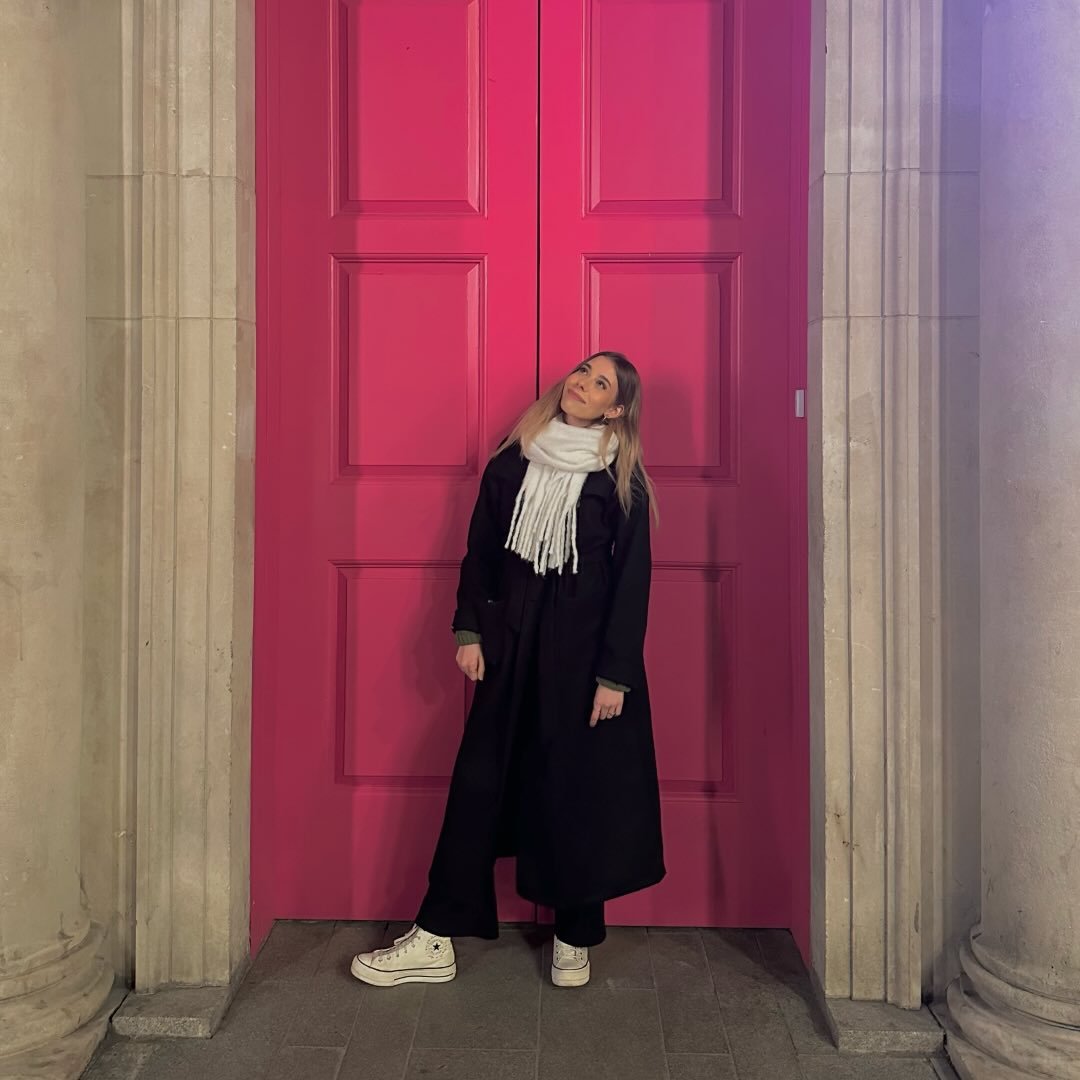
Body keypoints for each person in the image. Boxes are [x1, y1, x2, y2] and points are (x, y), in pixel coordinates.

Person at [351, 351, 665, 989]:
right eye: (582, 372)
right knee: (478, 785)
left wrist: (615, 676)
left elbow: (631, 583)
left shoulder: (619, 478)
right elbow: (482, 550)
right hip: (511, 647)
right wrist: (469, 629)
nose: (582, 384)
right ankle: (436, 936)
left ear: (616, 408)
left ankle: (575, 935)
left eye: (600, 383)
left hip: (583, 660)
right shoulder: (513, 457)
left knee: (574, 790)